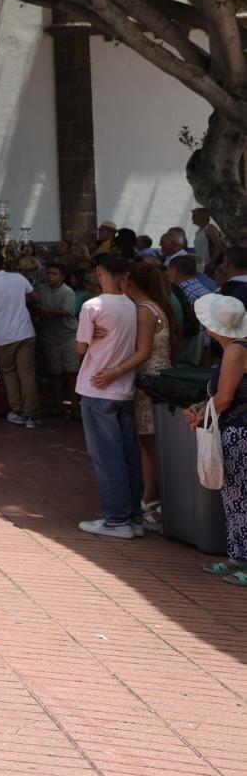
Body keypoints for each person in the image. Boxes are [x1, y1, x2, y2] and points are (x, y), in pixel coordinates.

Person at [74, 255, 143, 539]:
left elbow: (80, 347)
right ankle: (133, 517)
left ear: (99, 272)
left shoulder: (93, 306)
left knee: (106, 455)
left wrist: (93, 337)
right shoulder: (131, 305)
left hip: (96, 386)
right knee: (127, 454)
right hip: (123, 387)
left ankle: (116, 520)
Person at [185, 293, 247, 585]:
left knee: (240, 496)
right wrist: (201, 409)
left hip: (241, 430)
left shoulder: (236, 350)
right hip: (235, 427)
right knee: (234, 495)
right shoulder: (234, 349)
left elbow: (224, 398)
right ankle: (239, 554)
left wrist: (202, 415)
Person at [117, 260, 176, 527]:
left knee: (148, 444)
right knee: (151, 443)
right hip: (160, 379)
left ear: (128, 281)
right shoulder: (156, 305)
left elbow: (142, 352)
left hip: (148, 382)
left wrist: (114, 371)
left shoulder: (144, 309)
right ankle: (154, 497)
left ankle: (151, 499)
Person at [0, 248, 41, 428]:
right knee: (27, 374)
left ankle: (17, 410)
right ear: (3, 263)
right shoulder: (18, 279)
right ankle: (31, 416)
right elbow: (36, 297)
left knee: (9, 373)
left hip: (2, 336)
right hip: (24, 332)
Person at [35, 262, 81, 419]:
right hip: (50, 337)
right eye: (48, 273)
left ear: (62, 277)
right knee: (55, 374)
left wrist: (44, 310)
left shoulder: (67, 292)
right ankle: (59, 406)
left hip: (68, 336)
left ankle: (75, 407)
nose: (49, 276)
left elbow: (66, 311)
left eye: (54, 273)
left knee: (71, 373)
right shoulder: (41, 289)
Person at [194, 207, 227, 275]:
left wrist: (212, 263)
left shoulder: (210, 228)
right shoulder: (200, 231)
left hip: (209, 264)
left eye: (194, 216)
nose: (192, 218)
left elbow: (218, 246)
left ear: (201, 217)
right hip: (202, 264)